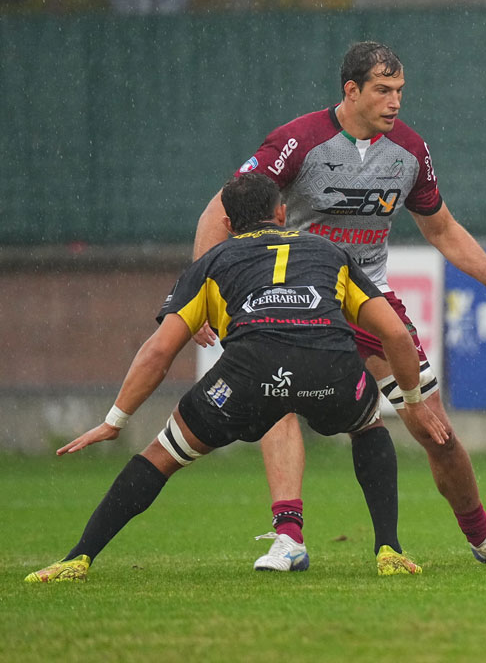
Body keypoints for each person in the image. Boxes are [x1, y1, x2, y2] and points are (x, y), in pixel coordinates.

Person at [192, 41, 486, 571]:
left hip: (366, 296)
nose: (395, 102)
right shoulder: (298, 141)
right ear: (351, 90)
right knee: (278, 403)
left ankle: (484, 538)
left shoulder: (409, 150)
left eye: (400, 91)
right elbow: (221, 208)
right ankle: (288, 538)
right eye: (383, 91)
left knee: (433, 426)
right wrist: (201, 292)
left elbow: (441, 228)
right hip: (296, 295)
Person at [26, 173, 449, 583]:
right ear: (281, 213)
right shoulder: (328, 252)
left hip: (248, 374)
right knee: (367, 426)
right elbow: (395, 334)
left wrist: (115, 420)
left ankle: (78, 559)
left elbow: (159, 352)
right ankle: (389, 550)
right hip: (329, 368)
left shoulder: (212, 263)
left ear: (228, 224)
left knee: (163, 454)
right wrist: (412, 402)